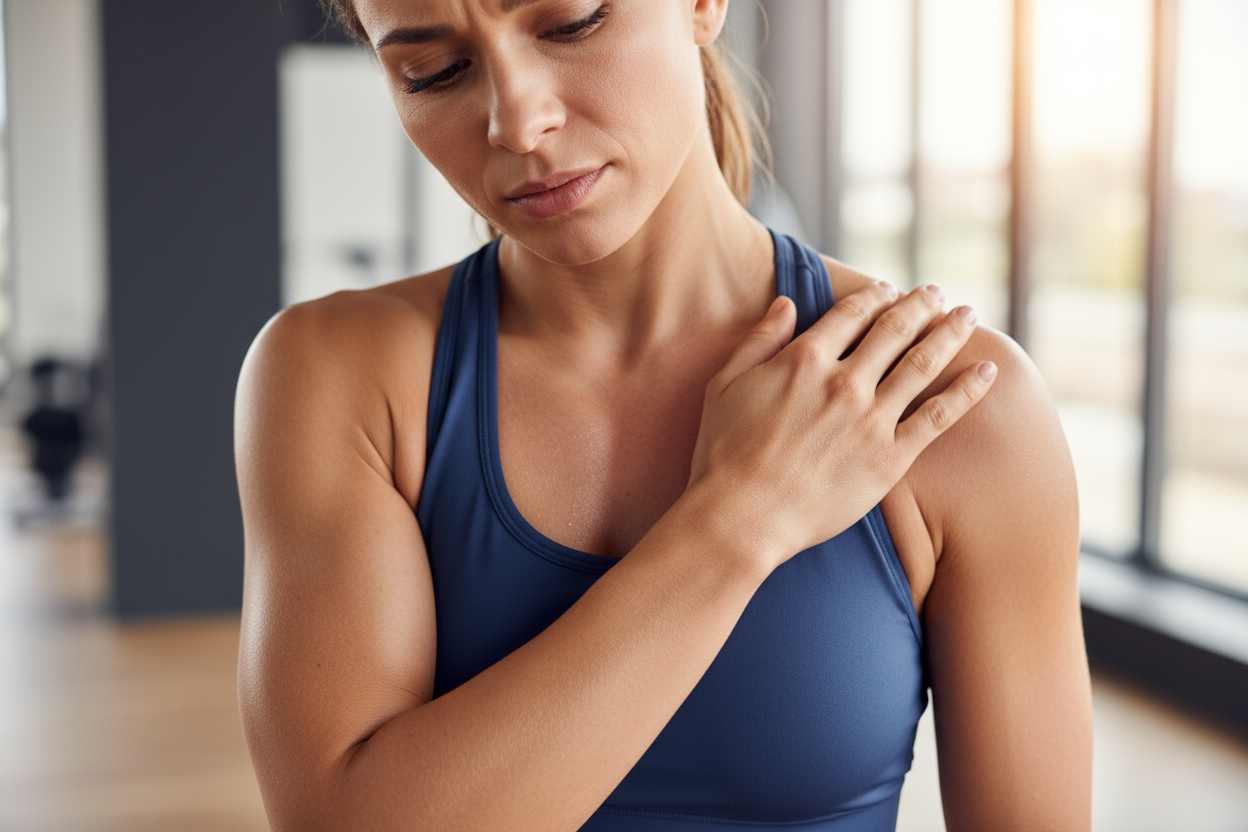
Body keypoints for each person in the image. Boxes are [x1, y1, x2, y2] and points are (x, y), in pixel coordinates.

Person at [234, 0, 1093, 829]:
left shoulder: (947, 403)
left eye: (572, 22)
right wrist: (736, 519)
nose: (517, 122)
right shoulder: (334, 374)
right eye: (433, 71)